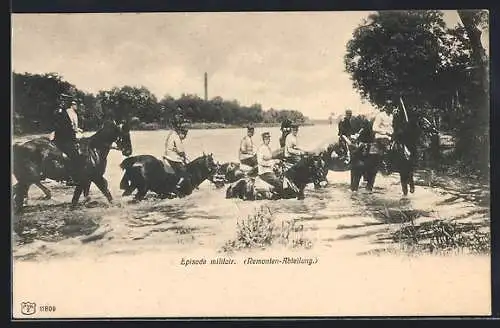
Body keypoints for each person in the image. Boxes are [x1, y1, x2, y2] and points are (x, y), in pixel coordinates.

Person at [49, 99, 83, 184]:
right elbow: (64, 125)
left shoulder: (64, 112)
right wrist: (74, 131)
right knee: (72, 154)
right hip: (62, 137)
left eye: (64, 102)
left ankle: (72, 176)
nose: (63, 103)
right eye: (62, 101)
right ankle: (70, 177)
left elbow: (68, 125)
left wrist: (74, 131)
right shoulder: (63, 112)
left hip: (65, 136)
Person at [163, 124, 192, 196]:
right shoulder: (177, 138)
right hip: (173, 158)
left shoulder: (171, 135)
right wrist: (184, 156)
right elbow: (181, 151)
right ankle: (176, 187)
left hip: (167, 156)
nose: (185, 137)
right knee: (185, 173)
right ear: (181, 133)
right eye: (185, 135)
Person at [372, 108, 395, 173]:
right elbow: (374, 128)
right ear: (386, 107)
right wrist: (385, 132)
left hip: (390, 137)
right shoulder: (380, 115)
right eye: (388, 106)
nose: (390, 108)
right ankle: (383, 164)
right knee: (386, 146)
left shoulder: (391, 116)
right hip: (381, 136)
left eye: (391, 106)